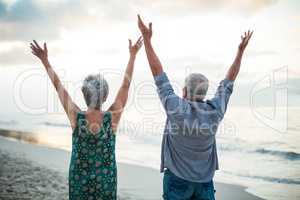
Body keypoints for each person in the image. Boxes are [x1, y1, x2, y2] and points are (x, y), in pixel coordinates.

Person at [137, 15, 253, 200]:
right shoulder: (215, 111)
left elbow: (158, 74)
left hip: (176, 181)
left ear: (183, 91)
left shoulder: (176, 107)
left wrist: (147, 41)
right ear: (204, 93)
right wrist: (240, 52)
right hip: (204, 183)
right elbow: (229, 81)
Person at [30, 37, 143, 200]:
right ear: (105, 97)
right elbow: (125, 86)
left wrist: (45, 61)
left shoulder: (76, 116)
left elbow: (58, 86)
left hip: (79, 180)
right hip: (106, 181)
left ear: (84, 95)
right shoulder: (113, 118)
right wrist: (133, 55)